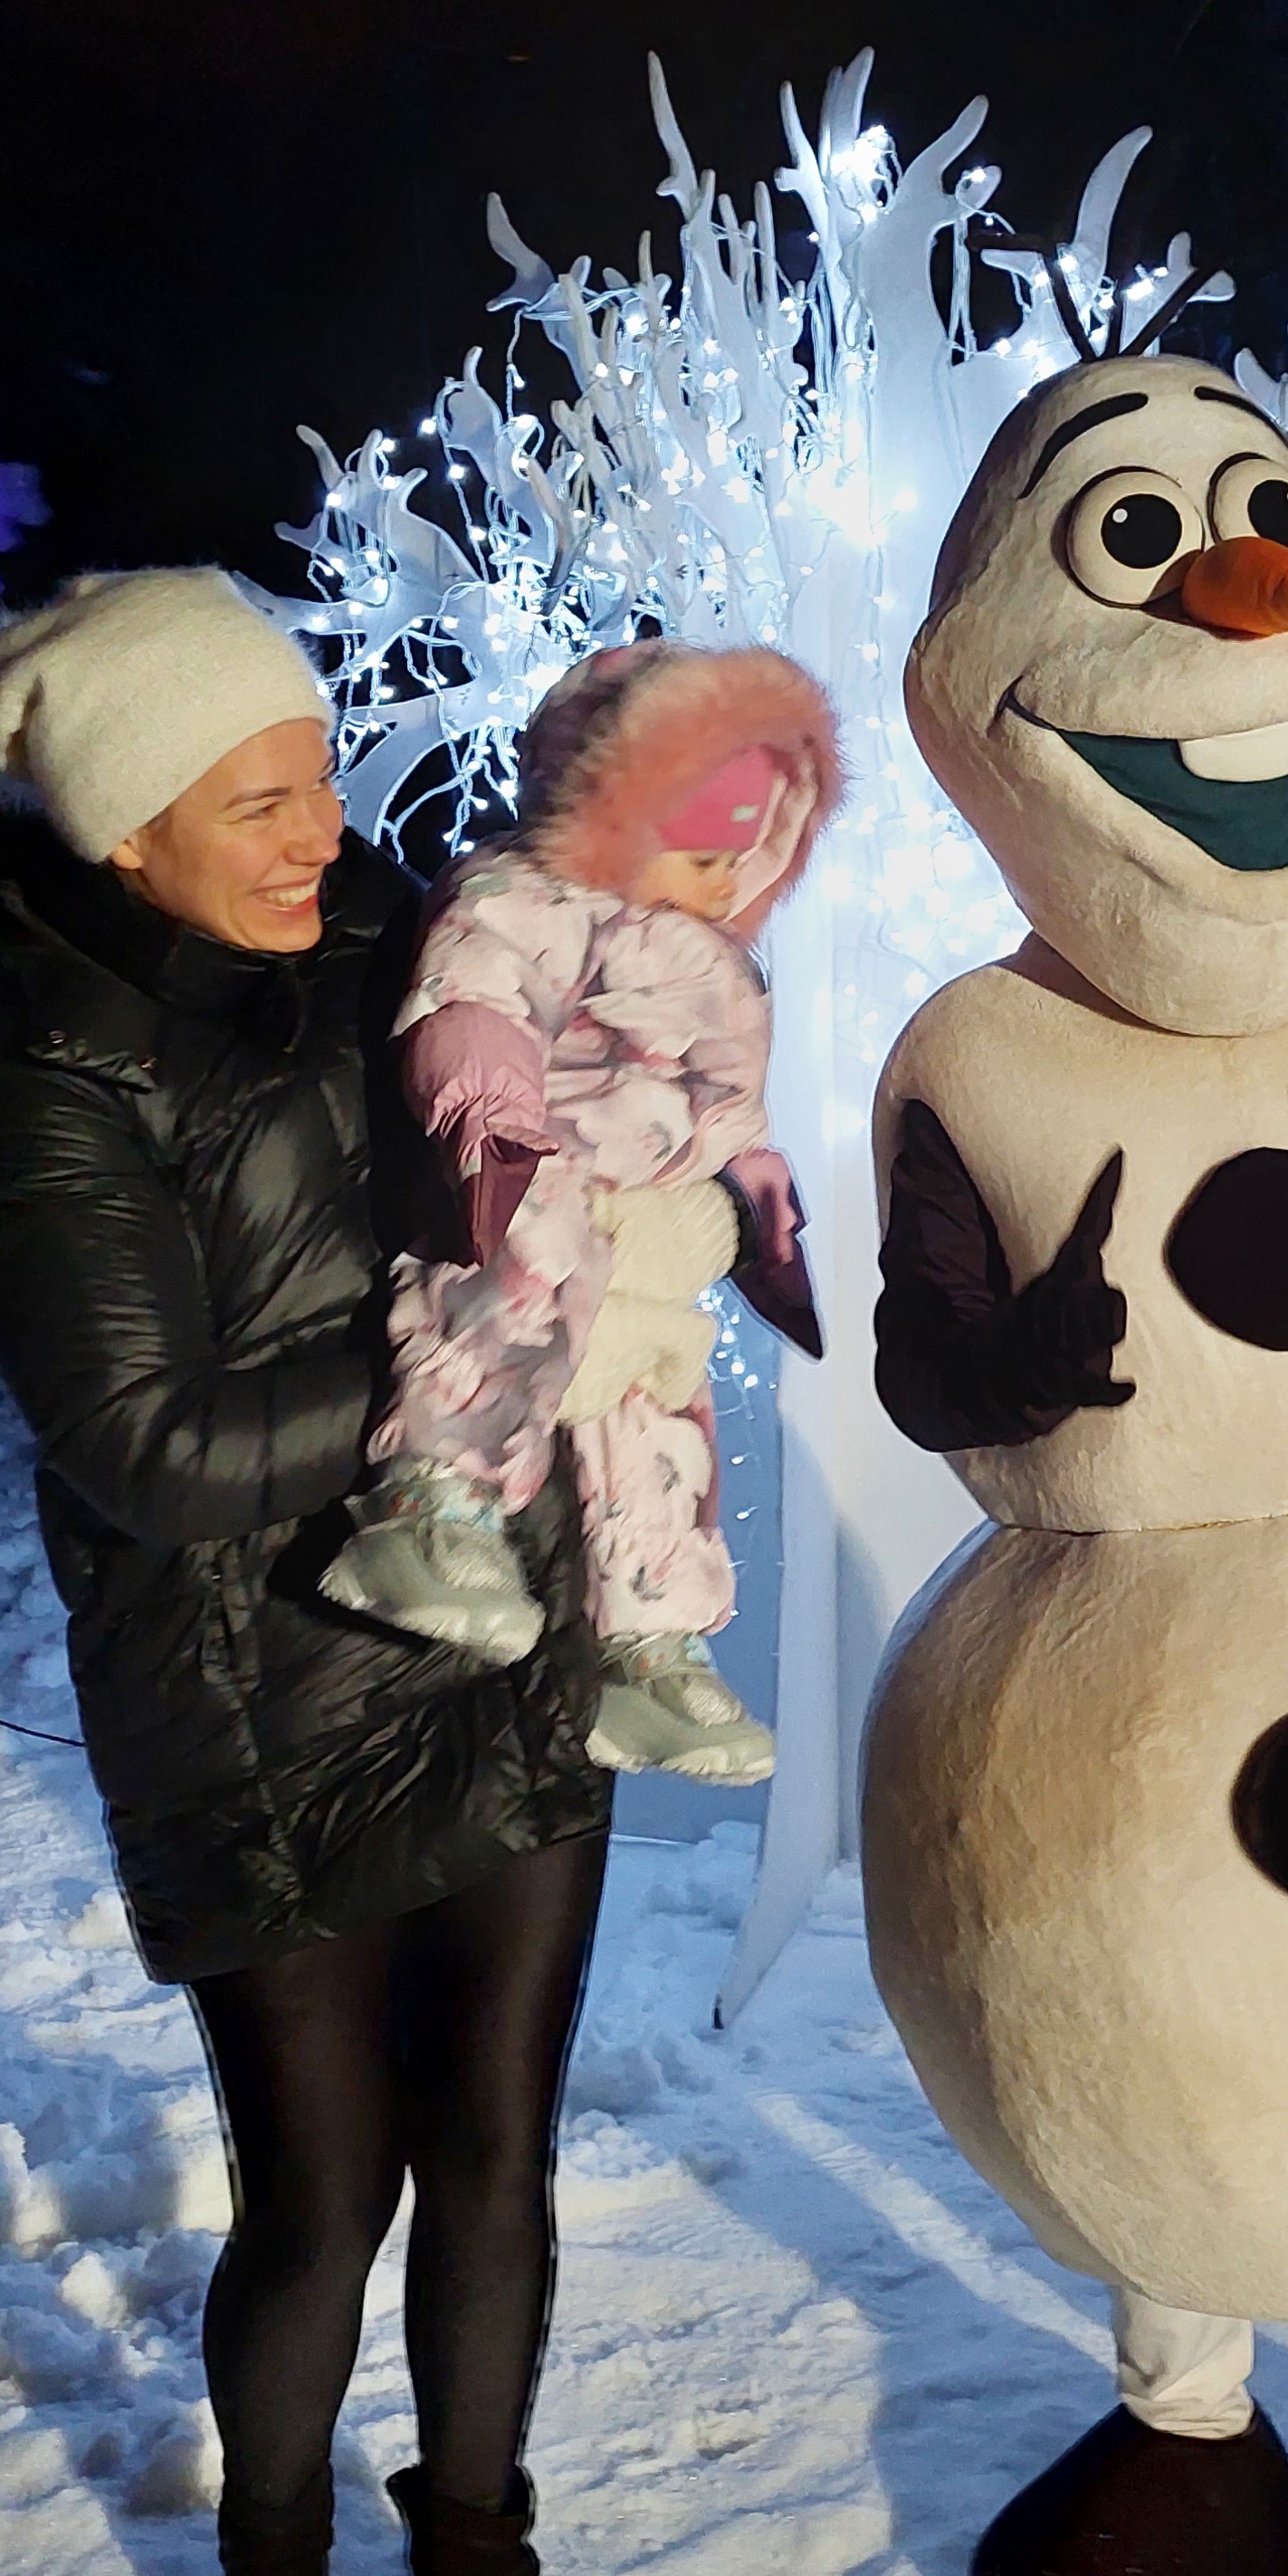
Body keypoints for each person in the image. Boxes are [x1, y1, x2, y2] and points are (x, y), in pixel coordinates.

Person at [0, 565, 684, 2576]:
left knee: (499, 2155)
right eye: (254, 800)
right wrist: (466, 1343)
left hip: (498, 1631)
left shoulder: (395, 951)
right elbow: (151, 1449)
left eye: (321, 776)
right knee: (324, 2199)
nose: (317, 829)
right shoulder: (29, 1086)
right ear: (123, 826)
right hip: (259, 1712)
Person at [320, 642, 835, 1784]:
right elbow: (473, 999)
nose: (722, 887)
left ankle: (651, 1638)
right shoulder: (525, 898)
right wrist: (492, 1120)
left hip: (651, 1214)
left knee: (655, 1409)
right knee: (517, 1285)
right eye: (700, 857)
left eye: (740, 862)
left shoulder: (709, 952)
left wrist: (750, 1181)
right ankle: (435, 1497)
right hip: (529, 1172)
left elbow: (712, 1094)